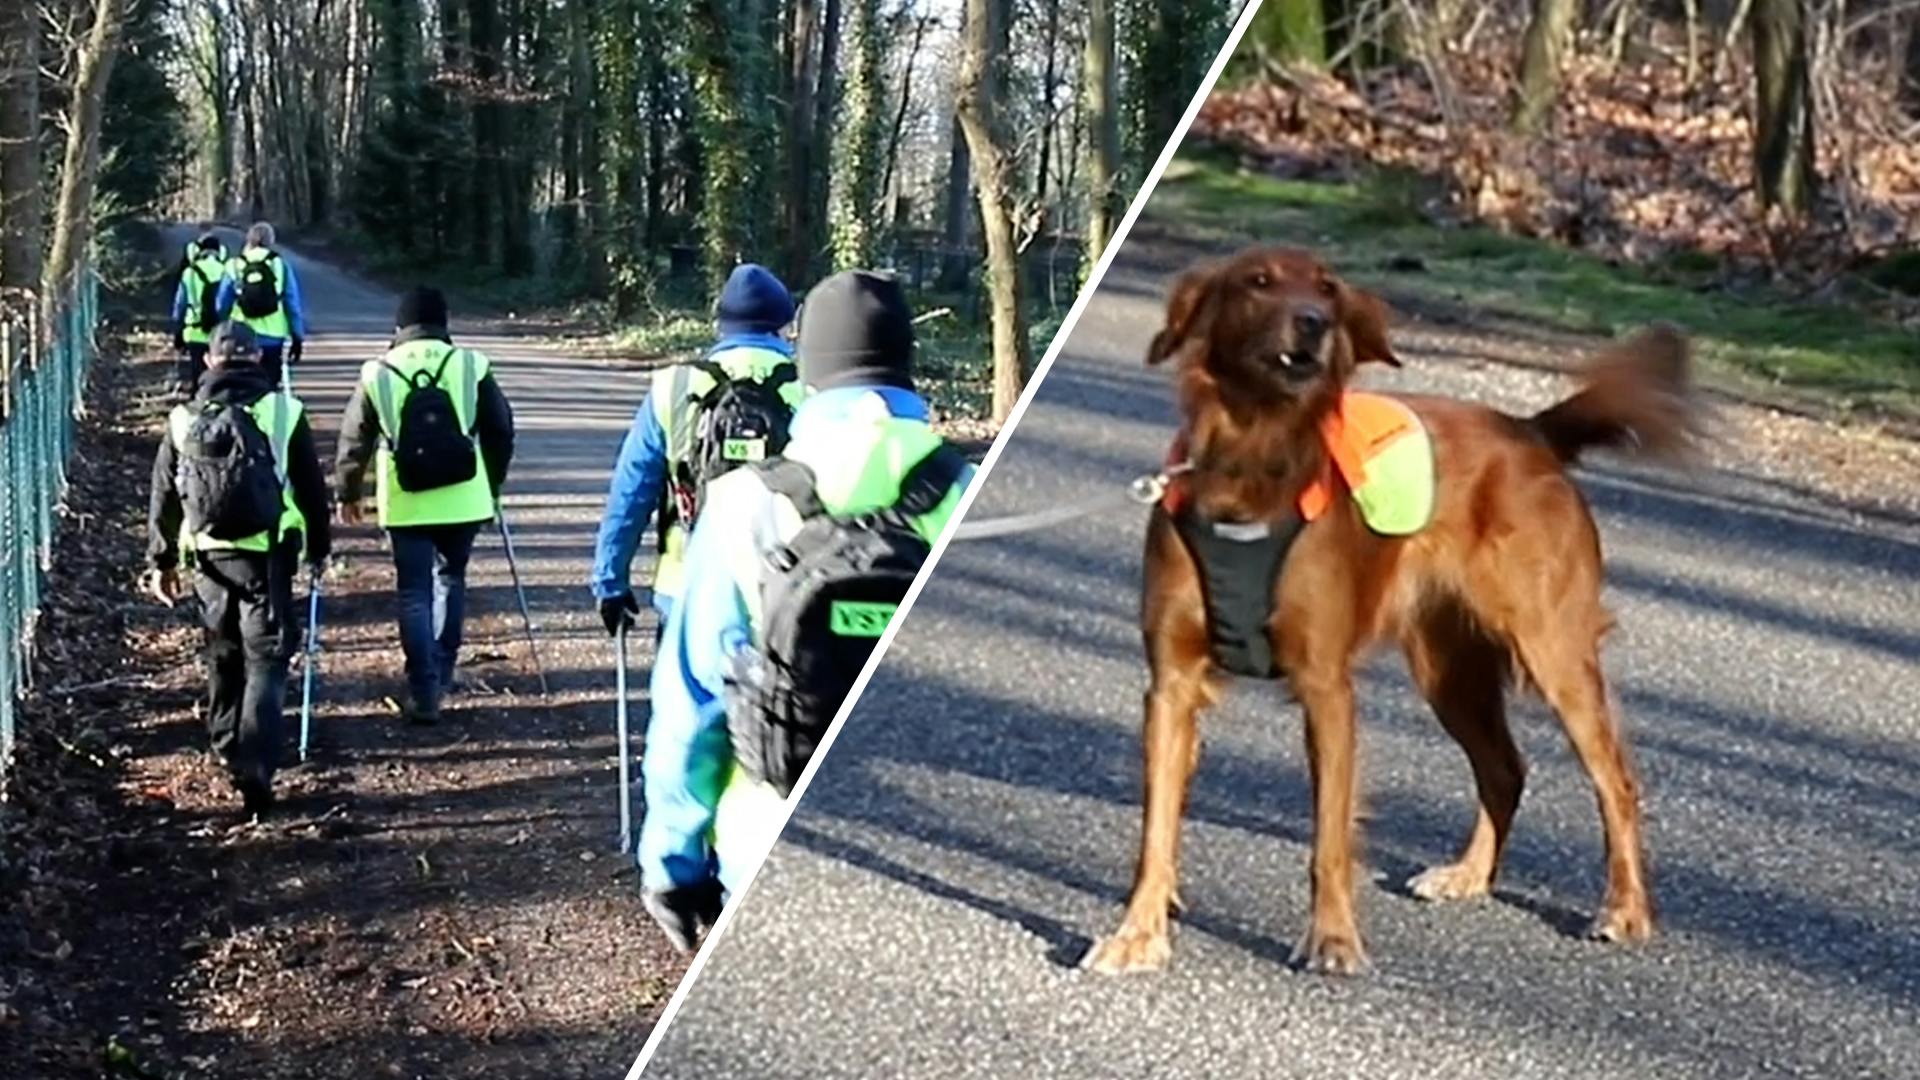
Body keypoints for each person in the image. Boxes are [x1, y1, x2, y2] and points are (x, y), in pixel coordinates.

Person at [637, 270, 975, 952]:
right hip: (937, 851)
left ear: (810, 371)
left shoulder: (744, 502)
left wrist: (671, 864)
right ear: (907, 365)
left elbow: (692, 706)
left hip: (764, 844)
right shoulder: (964, 490)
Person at [143, 323, 332, 816]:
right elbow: (312, 490)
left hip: (208, 555)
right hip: (268, 556)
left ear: (209, 362)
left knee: (222, 652)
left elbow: (163, 494)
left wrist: (161, 560)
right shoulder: (284, 411)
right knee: (266, 658)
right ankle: (257, 761)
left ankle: (227, 745)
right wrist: (319, 549)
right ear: (258, 359)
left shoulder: (183, 419)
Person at [590, 263, 803, 641]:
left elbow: (631, 492)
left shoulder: (674, 386)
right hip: (781, 594)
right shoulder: (808, 389)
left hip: (687, 591)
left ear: (720, 324)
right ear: (785, 326)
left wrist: (610, 581)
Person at [335, 287, 515, 725]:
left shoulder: (378, 371)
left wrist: (348, 492)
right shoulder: (470, 364)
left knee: (414, 591)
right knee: (451, 578)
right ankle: (444, 669)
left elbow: (354, 439)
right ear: (444, 323)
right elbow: (500, 431)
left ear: (399, 327)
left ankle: (423, 687)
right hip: (464, 497)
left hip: (405, 500)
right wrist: (492, 484)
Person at [216, 222, 307, 388]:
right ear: (271, 241)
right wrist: (297, 336)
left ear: (248, 240)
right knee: (270, 382)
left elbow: (222, 303)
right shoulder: (280, 265)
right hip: (273, 336)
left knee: (242, 383)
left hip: (242, 335)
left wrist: (220, 330)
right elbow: (292, 304)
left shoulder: (234, 265)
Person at [170, 233, 229, 396]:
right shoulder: (226, 271)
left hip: (193, 331)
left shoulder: (189, 273)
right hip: (219, 333)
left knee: (197, 372)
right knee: (219, 372)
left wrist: (177, 331)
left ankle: (198, 402)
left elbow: (180, 305)